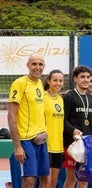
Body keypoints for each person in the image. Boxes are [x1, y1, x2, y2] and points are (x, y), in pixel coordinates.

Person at [7, 54, 49, 187]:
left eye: (40, 64)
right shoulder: (19, 83)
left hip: (41, 138)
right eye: (34, 64)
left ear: (44, 66)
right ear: (28, 66)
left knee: (44, 178)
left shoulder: (40, 84)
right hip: (25, 139)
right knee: (29, 179)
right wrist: (17, 146)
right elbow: (11, 115)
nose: (37, 67)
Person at [62, 65, 92, 188]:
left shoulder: (91, 99)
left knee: (84, 178)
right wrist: (73, 131)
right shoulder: (68, 96)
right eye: (82, 77)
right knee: (72, 178)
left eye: (88, 77)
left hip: (88, 144)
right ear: (75, 79)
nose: (86, 80)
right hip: (72, 144)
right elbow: (62, 120)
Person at [43, 69, 65, 188]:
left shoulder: (61, 99)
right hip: (45, 145)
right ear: (48, 81)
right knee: (45, 182)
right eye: (55, 80)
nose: (58, 83)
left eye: (61, 81)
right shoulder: (42, 97)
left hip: (58, 146)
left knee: (53, 183)